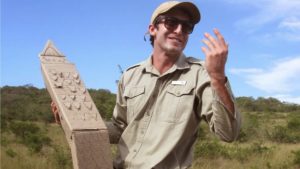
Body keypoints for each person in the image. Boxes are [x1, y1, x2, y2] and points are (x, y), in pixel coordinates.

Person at [52, 1, 241, 168]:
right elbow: (119, 129)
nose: (179, 30)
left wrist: (217, 77)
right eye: (171, 22)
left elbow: (228, 133)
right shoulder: (130, 75)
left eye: (187, 27)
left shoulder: (201, 73)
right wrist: (71, 122)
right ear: (153, 29)